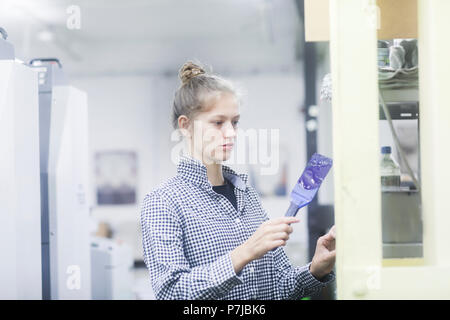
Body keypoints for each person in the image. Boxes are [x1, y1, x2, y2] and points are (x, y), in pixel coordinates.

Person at [140, 61, 336, 300]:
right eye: (218, 122)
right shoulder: (163, 202)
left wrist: (316, 269)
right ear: (186, 125)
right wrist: (245, 252)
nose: (231, 133)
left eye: (235, 122)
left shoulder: (247, 195)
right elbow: (171, 293)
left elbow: (281, 288)